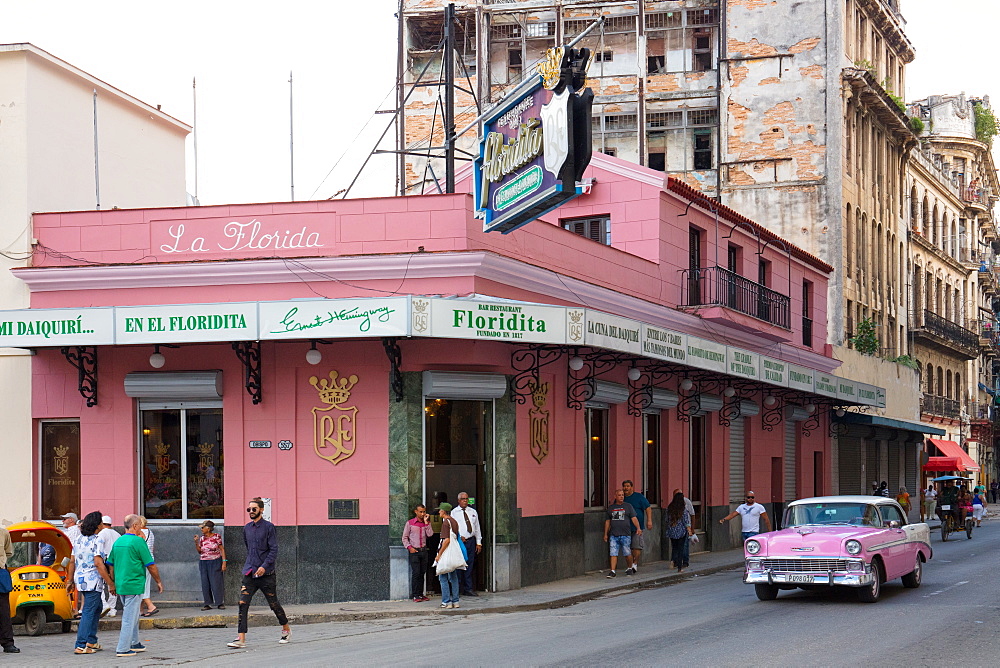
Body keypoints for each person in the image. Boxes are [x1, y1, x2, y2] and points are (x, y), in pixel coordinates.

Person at [228, 497, 291, 649]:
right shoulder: (246, 528)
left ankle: (286, 629)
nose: (250, 511)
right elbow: (248, 548)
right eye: (248, 509)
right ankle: (241, 638)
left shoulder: (269, 527)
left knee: (273, 604)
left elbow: (274, 549)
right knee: (242, 603)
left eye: (253, 509)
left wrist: (264, 566)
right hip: (250, 572)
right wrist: (253, 564)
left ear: (261, 510)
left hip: (266, 575)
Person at [106, 514, 163, 658]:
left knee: (133, 615)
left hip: (121, 584)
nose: (141, 529)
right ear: (135, 526)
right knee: (129, 617)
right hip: (134, 583)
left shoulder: (118, 541)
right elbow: (150, 565)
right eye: (140, 526)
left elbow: (110, 564)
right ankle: (123, 648)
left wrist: (112, 583)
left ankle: (134, 642)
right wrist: (158, 581)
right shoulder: (138, 542)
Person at [66, 511, 114, 655]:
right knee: (88, 611)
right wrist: (110, 583)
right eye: (100, 522)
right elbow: (99, 563)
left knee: (97, 607)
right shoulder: (97, 540)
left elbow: (72, 561)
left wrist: (70, 580)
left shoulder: (79, 540)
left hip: (81, 579)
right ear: (97, 525)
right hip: (93, 580)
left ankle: (91, 640)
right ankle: (81, 644)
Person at [604, 488, 641, 578]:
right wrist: (605, 534)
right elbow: (608, 521)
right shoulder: (611, 508)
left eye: (622, 495)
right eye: (619, 495)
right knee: (613, 553)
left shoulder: (628, 506)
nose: (621, 497)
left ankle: (629, 567)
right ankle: (612, 571)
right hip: (614, 534)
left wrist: (638, 528)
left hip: (625, 534)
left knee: (627, 553)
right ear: (615, 496)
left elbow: (634, 518)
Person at [452, 492, 482, 597]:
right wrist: (458, 537)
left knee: (470, 564)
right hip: (460, 541)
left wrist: (479, 542)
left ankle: (468, 588)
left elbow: (477, 528)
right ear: (459, 500)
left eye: (466, 499)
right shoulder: (454, 512)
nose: (465, 500)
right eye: (463, 499)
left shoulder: (473, 512)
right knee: (460, 565)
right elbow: (452, 528)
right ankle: (459, 589)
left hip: (471, 541)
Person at [433, 502, 462, 609]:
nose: (439, 512)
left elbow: (446, 540)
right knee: (453, 578)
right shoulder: (454, 521)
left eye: (440, 510)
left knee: (443, 577)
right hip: (453, 553)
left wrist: (439, 554)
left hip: (446, 552)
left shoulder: (445, 523)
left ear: (444, 511)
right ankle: (456, 601)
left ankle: (446, 601)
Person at [402, 504, 432, 602]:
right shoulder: (410, 523)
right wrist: (409, 548)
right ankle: (415, 595)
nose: (423, 514)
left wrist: (427, 523)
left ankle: (420, 594)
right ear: (416, 512)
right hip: (414, 551)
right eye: (420, 512)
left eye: (424, 511)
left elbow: (430, 534)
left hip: (423, 551)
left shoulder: (426, 523)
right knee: (416, 573)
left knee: (422, 573)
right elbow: (404, 537)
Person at [195, 520, 226, 610]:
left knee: (216, 582)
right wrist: (196, 542)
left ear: (208, 529)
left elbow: (222, 549)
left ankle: (219, 603)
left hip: (215, 561)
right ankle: (207, 603)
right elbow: (199, 551)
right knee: (205, 582)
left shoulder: (216, 537)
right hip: (204, 562)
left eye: (202, 527)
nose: (201, 529)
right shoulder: (202, 538)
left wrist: (224, 562)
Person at [622, 480, 652, 571]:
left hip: (637, 527)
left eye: (628, 486)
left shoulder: (639, 497)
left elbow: (648, 508)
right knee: (626, 547)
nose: (626, 488)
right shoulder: (621, 498)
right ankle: (629, 566)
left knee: (636, 546)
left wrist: (649, 520)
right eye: (624, 486)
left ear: (632, 487)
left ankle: (635, 563)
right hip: (624, 527)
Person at [97, 515, 121, 617]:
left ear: (102, 524)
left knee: (100, 584)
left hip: (105, 560)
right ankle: (112, 608)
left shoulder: (101, 534)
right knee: (113, 584)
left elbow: (99, 549)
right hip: (116, 561)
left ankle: (104, 605)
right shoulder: (117, 534)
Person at [665, 491, 693, 573]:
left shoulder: (669, 508)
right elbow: (686, 521)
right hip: (681, 531)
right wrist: (689, 530)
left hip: (672, 531)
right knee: (680, 548)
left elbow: (666, 519)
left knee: (674, 547)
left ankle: (673, 561)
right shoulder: (683, 509)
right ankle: (679, 567)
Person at [0, 525, 18, 654]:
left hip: (0, 572)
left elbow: (9, 552)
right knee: (3, 610)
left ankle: (7, 642)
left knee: (4, 610)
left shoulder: (3, 532)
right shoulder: (3, 532)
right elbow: (9, 552)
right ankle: (7, 643)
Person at [138, 517, 158, 617]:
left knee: (142, 585)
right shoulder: (150, 532)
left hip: (142, 561)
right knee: (145, 583)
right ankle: (140, 610)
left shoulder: (140, 533)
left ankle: (150, 606)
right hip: (150, 559)